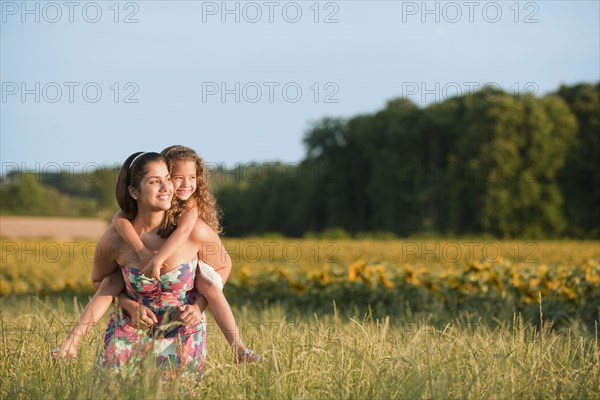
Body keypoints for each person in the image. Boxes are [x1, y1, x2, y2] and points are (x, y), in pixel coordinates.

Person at [54, 152, 208, 376]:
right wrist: (129, 305)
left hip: (183, 334)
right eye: (155, 182)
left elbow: (219, 274)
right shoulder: (115, 239)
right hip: (127, 331)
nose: (166, 187)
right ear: (134, 191)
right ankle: (70, 344)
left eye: (167, 178)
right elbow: (101, 282)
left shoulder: (194, 231)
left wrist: (199, 306)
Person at [112, 145, 261, 363]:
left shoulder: (190, 205)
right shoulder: (155, 205)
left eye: (192, 177)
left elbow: (184, 232)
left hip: (199, 263)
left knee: (210, 288)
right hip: (177, 274)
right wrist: (142, 251)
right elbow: (118, 219)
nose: (186, 184)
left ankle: (239, 348)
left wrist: (158, 260)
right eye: (178, 177)